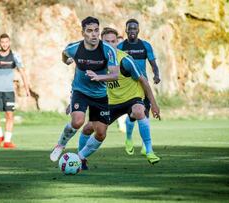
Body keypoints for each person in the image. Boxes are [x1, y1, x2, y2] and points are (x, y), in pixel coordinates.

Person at [78, 27, 161, 166]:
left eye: (113, 41)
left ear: (117, 42)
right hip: (110, 103)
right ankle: (80, 158)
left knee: (139, 111)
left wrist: (153, 104)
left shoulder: (125, 60)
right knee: (90, 129)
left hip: (132, 98)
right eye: (107, 42)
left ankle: (149, 151)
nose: (110, 44)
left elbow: (144, 81)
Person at [49, 17, 119, 170]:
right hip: (80, 91)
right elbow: (64, 53)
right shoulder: (74, 48)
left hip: (100, 95)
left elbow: (115, 75)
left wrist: (99, 76)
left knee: (101, 133)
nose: (94, 34)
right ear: (83, 33)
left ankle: (80, 157)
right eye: (89, 31)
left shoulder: (108, 50)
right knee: (77, 122)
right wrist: (65, 61)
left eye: (96, 30)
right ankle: (61, 144)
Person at [117, 18, 161, 155]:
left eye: (134, 28)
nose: (132, 31)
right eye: (129, 28)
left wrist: (156, 75)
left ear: (138, 30)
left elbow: (153, 64)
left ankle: (145, 145)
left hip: (143, 84)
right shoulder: (121, 47)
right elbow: (114, 65)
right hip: (128, 86)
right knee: (132, 115)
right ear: (125, 30)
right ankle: (129, 138)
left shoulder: (145, 46)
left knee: (145, 113)